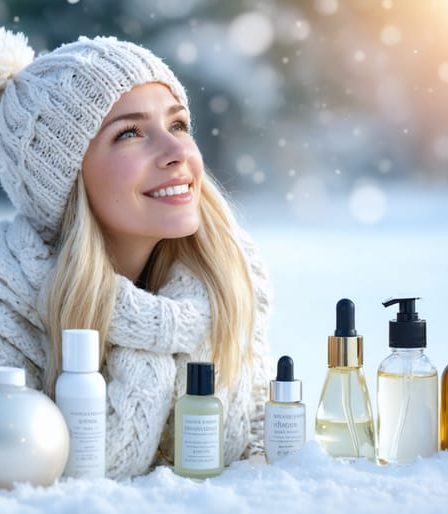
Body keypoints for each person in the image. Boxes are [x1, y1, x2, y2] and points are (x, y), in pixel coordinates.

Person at [0, 28, 271, 479]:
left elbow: (261, 450)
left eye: (178, 124)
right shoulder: (11, 307)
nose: (175, 152)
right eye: (129, 133)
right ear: (66, 183)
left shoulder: (229, 282)